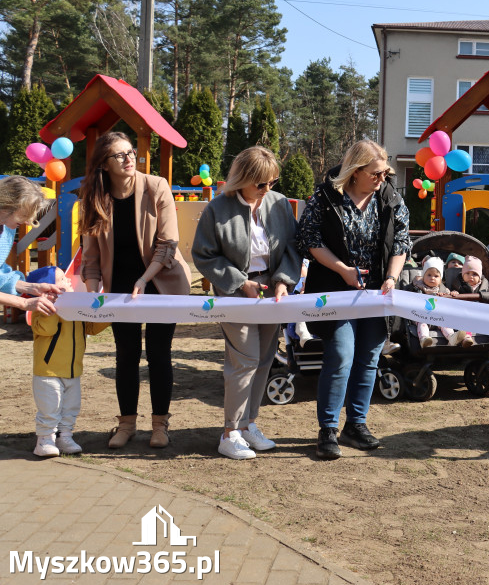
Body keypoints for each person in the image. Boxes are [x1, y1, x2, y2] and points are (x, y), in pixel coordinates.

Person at [298, 140, 411, 460]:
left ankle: (356, 426)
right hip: (337, 291)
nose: (383, 177)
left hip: (378, 294)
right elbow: (309, 239)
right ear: (356, 171)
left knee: (368, 359)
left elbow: (401, 242)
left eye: (385, 172)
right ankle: (328, 430)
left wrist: (391, 277)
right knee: (341, 355)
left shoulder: (390, 197)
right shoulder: (325, 196)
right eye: (376, 173)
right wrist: (343, 270)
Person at [80, 132, 193, 450]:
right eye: (119, 155)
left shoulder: (156, 186)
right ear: (104, 164)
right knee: (126, 355)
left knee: (159, 354)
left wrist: (144, 280)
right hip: (119, 290)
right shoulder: (92, 198)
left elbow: (167, 245)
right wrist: (93, 295)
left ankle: (160, 426)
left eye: (130, 152)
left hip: (160, 283)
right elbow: (90, 260)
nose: (129, 158)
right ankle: (126, 424)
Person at [192, 146, 301, 460]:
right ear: (241, 179)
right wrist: (240, 283)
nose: (267, 190)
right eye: (261, 184)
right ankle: (230, 433)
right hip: (235, 293)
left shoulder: (279, 204)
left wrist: (282, 280)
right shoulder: (217, 208)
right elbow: (203, 255)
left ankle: (249, 424)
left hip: (271, 290)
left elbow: (293, 247)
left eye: (272, 183)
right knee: (245, 361)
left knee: (265, 358)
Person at [28, 266, 109, 457]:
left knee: (71, 407)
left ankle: (65, 436)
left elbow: (90, 327)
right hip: (48, 372)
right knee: (50, 407)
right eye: (62, 279)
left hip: (73, 370)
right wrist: (53, 307)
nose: (69, 281)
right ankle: (45, 439)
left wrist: (108, 315)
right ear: (47, 288)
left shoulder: (76, 306)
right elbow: (46, 330)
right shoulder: (42, 310)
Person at [0, 176, 62, 317]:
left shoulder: (7, 227)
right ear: (8, 205)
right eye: (25, 214)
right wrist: (24, 303)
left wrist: (32, 288)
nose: (28, 222)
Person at [407, 256, 471, 348]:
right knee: (422, 323)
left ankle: (452, 338)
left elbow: (450, 299)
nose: (432, 278)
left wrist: (452, 294)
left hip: (438, 317)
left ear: (441, 279)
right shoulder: (417, 287)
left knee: (445, 324)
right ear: (423, 276)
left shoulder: (443, 289)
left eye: (436, 276)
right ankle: (424, 339)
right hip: (422, 315)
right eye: (429, 275)